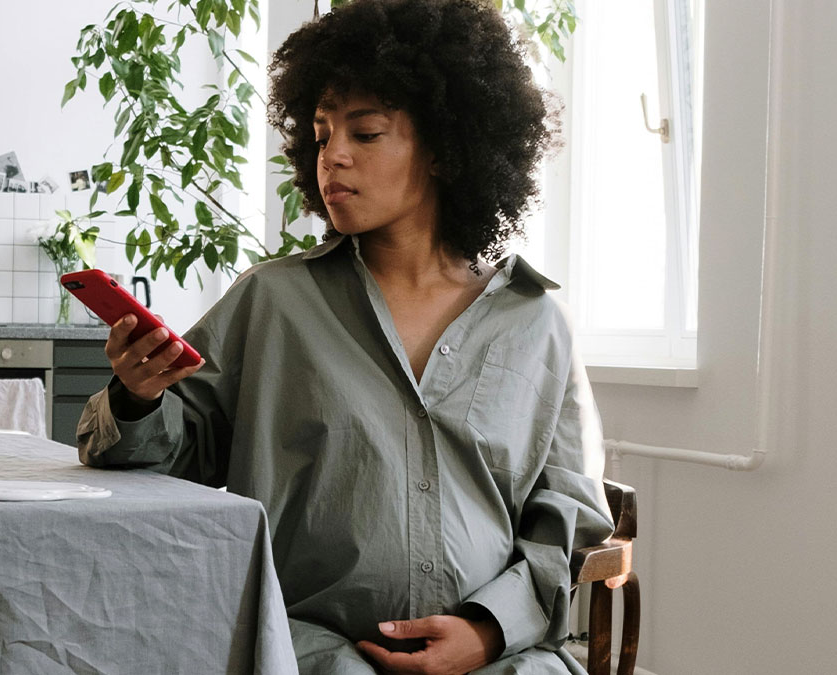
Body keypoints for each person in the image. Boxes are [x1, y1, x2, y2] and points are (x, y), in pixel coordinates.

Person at [76, 0, 614, 672]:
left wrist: (485, 630)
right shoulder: (271, 300)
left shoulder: (536, 323)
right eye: (321, 134)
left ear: (447, 149)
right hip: (308, 649)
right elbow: (168, 452)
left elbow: (567, 514)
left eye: (364, 135)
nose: (332, 158)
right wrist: (137, 396)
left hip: (499, 657)